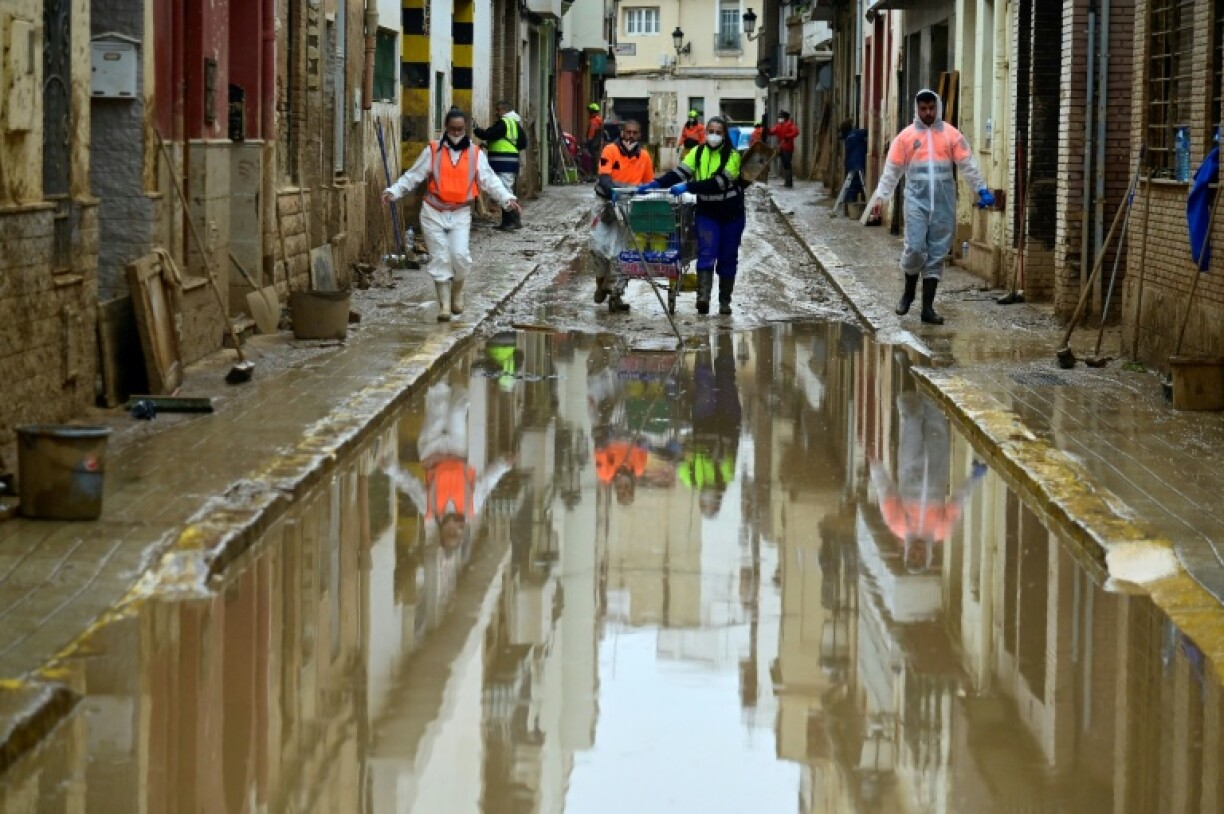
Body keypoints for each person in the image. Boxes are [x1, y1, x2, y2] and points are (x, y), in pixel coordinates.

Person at [866, 89, 994, 325]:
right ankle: (908, 293)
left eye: (931, 108)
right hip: (916, 198)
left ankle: (928, 308)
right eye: (923, 109)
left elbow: (967, 164)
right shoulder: (905, 137)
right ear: (917, 109)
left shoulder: (951, 135)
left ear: (938, 108)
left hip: (943, 200)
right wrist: (880, 198)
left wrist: (981, 189)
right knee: (915, 247)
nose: (927, 113)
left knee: (937, 252)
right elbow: (892, 171)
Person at [383, 108, 522, 322]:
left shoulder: (476, 153)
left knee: (459, 256)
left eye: (460, 129)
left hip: (460, 212)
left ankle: (457, 291)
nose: (456, 132)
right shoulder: (433, 150)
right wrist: (394, 191)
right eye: (452, 128)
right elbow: (413, 175)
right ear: (446, 128)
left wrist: (507, 198)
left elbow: (489, 180)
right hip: (432, 211)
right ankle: (445, 306)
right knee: (440, 257)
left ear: (465, 129)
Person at [387, 380, 511, 551]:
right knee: (457, 412)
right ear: (462, 532)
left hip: (431, 452)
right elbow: (487, 482)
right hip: (456, 451)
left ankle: (439, 373)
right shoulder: (471, 506)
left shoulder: (429, 508)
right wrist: (503, 464)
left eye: (449, 533)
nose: (453, 529)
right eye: (457, 534)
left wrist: (391, 469)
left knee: (438, 407)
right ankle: (459, 385)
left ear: (441, 531)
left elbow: (411, 485)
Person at [638, 115, 744, 315]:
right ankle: (703, 298)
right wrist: (656, 184)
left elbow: (719, 183)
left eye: (718, 132)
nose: (713, 135)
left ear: (725, 135)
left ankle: (724, 302)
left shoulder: (733, 156)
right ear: (705, 133)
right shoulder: (697, 152)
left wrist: (688, 186)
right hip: (707, 212)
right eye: (710, 131)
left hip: (731, 214)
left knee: (728, 257)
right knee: (706, 253)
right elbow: (678, 173)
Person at [590, 119, 655, 312]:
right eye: (628, 132)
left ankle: (616, 294)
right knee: (598, 247)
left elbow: (648, 184)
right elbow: (604, 177)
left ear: (639, 135)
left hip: (630, 207)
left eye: (635, 133)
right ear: (622, 132)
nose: (631, 136)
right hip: (606, 204)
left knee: (624, 252)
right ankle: (601, 284)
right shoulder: (610, 150)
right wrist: (614, 191)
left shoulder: (644, 157)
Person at [677, 333, 741, 517]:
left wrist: (687, 454)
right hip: (727, 421)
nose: (710, 499)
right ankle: (724, 338)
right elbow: (727, 459)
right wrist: (711, 457)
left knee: (704, 383)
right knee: (726, 379)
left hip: (703, 422)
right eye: (712, 503)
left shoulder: (691, 479)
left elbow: (682, 460)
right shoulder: (725, 478)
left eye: (706, 504)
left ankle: (703, 343)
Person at [474, 100, 527, 231]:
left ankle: (511, 222)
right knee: (507, 189)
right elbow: (522, 143)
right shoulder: (515, 124)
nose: (495, 113)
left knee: (505, 191)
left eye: (497, 110)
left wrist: (475, 128)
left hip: (504, 162)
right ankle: (512, 221)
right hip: (510, 161)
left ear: (503, 110)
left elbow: (488, 134)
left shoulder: (504, 123)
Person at [767, 110, 799, 187]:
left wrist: (788, 136)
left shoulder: (790, 125)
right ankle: (787, 182)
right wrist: (766, 129)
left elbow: (796, 132)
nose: (779, 119)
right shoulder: (778, 126)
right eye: (779, 117)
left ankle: (789, 183)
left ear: (785, 118)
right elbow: (771, 132)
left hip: (788, 148)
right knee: (785, 165)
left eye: (781, 117)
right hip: (781, 148)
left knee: (787, 165)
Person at [584, 102, 604, 176]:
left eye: (589, 111)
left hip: (593, 143)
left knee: (593, 158)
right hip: (597, 143)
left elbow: (591, 133)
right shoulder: (599, 120)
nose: (588, 113)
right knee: (596, 157)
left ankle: (594, 174)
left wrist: (587, 142)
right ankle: (596, 173)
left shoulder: (593, 121)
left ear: (592, 112)